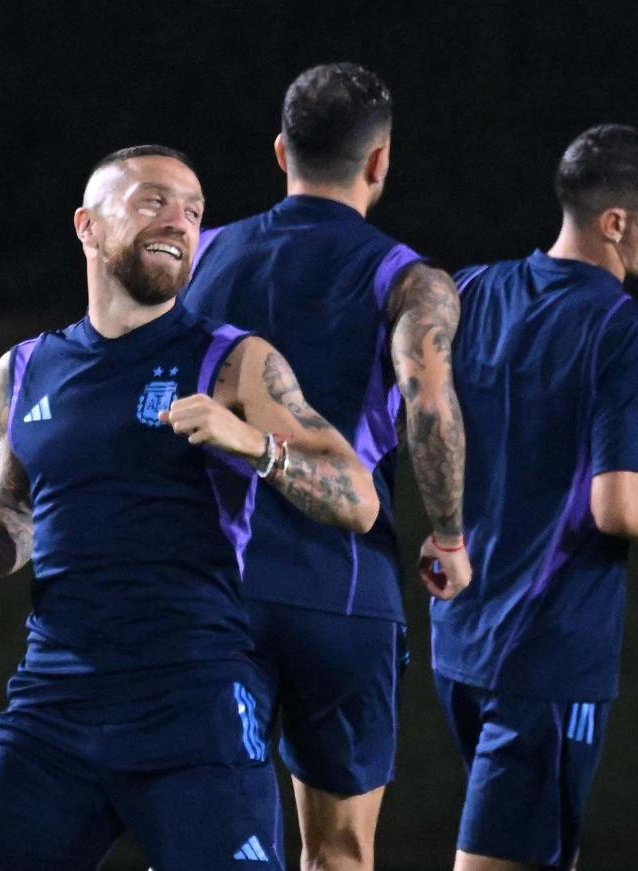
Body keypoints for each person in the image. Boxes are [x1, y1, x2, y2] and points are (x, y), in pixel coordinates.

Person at [0, 145, 380, 871]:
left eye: (194, 209)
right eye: (154, 200)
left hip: (193, 709)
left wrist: (253, 442)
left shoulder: (233, 360)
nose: (181, 220)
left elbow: (357, 498)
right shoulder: (23, 371)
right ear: (87, 224)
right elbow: (14, 509)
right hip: (54, 710)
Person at [434, 124, 638, 871]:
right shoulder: (626, 330)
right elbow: (620, 505)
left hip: (461, 641)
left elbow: (430, 429)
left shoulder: (473, 289)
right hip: (545, 653)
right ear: (615, 224)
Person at [183, 62, 470, 871]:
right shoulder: (411, 281)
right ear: (379, 162)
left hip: (213, 585)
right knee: (339, 850)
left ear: (281, 151)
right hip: (342, 589)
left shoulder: (200, 256)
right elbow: (431, 404)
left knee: (203, 841)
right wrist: (447, 532)